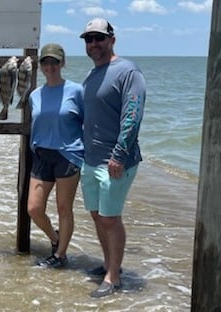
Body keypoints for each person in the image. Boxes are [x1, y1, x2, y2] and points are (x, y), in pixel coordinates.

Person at [79, 18, 146, 298]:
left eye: (99, 38)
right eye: (88, 39)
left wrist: (119, 154)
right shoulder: (92, 75)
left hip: (116, 162)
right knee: (97, 216)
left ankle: (113, 277)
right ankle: (108, 263)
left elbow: (133, 114)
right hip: (90, 160)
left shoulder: (128, 71)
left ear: (112, 40)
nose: (94, 44)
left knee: (110, 218)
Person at [27, 43, 84, 269]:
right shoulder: (35, 95)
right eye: (46, 62)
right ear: (40, 65)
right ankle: (55, 238)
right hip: (42, 154)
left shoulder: (76, 91)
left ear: (63, 63)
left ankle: (60, 256)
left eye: (55, 62)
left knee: (63, 208)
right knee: (34, 208)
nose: (50, 66)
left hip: (68, 155)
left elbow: (88, 122)